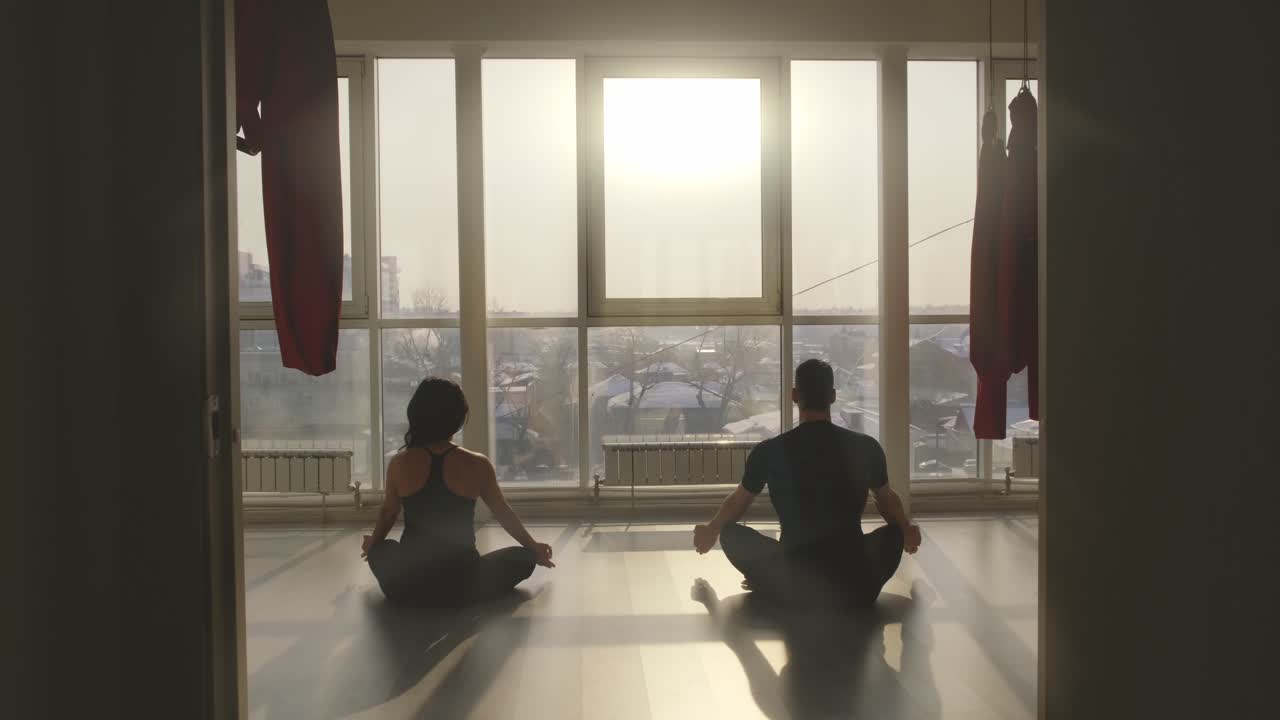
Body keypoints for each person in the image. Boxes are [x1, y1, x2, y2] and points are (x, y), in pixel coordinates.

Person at [693, 359, 922, 609]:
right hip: (855, 578)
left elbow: (739, 500)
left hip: (793, 578)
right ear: (833, 396)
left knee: (731, 533)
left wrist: (713, 528)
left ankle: (774, 583)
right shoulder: (866, 447)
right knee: (893, 534)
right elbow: (886, 499)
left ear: (794, 395)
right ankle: (854, 588)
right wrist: (906, 529)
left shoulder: (770, 451)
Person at [362, 377, 555, 606]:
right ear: (459, 417)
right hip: (465, 584)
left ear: (415, 415)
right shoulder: (478, 464)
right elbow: (503, 513)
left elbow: (388, 513)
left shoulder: (399, 463)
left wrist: (374, 542)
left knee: (381, 549)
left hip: (406, 585)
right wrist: (532, 548)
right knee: (523, 557)